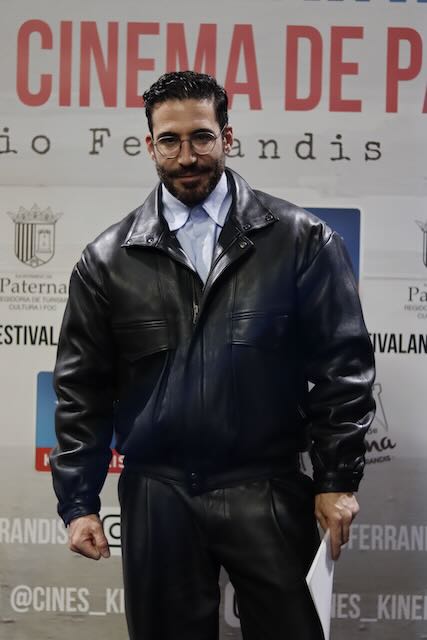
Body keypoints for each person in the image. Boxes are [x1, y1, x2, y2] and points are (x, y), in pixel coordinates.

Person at [50, 71, 375, 640]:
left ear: (227, 136)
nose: (187, 156)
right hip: (157, 494)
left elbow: (342, 368)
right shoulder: (106, 260)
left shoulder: (300, 239)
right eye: (170, 140)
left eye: (201, 136)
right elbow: (82, 390)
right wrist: (78, 502)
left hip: (266, 486)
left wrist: (337, 478)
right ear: (149, 145)